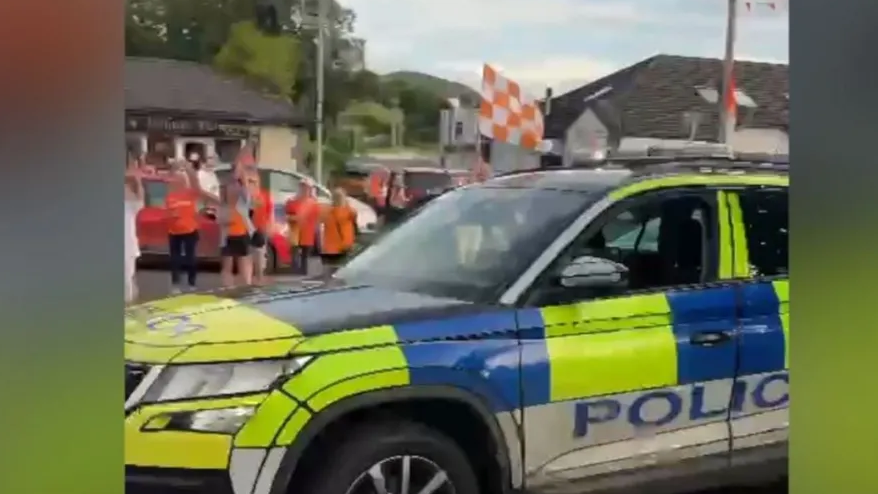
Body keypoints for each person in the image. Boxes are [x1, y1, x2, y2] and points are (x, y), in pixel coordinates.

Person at [163, 162, 206, 294]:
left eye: (182, 180)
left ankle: (191, 283)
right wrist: (174, 167)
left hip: (190, 231)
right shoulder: (170, 195)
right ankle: (176, 284)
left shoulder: (190, 193)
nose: (179, 182)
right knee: (175, 259)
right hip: (174, 232)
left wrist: (189, 168)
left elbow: (196, 183)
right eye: (177, 179)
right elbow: (168, 211)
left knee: (190, 258)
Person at [284, 181, 320, 275]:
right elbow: (286, 216)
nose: (305, 190)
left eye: (308, 188)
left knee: (306, 254)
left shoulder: (313, 203)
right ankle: (295, 272)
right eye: (303, 188)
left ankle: (304, 272)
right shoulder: (291, 202)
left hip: (308, 232)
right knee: (295, 253)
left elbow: (316, 219)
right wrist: (294, 218)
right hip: (295, 231)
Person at [320, 188, 358, 273]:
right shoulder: (348, 211)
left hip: (334, 249)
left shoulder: (327, 211)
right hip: (340, 248)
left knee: (332, 273)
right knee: (340, 273)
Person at [247, 170, 273, 285]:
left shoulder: (264, 195)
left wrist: (269, 225)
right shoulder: (245, 196)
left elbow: (270, 212)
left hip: (260, 228)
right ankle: (251, 279)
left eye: (254, 181)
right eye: (250, 181)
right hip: (247, 229)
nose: (252, 184)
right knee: (248, 255)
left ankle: (259, 277)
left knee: (259, 254)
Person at [124, 155, 144, 303]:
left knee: (127, 282)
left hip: (127, 248)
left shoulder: (130, 206)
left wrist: (137, 180)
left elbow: (139, 199)